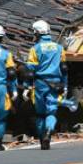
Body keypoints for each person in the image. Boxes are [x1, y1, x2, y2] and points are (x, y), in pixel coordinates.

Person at [23, 20, 68, 150]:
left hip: (40, 84)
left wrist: (26, 87)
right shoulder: (59, 48)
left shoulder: (35, 49)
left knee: (40, 113)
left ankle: (43, 137)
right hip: (56, 84)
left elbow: (29, 70)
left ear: (37, 33)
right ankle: (49, 131)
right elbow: (64, 69)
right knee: (51, 112)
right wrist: (65, 86)